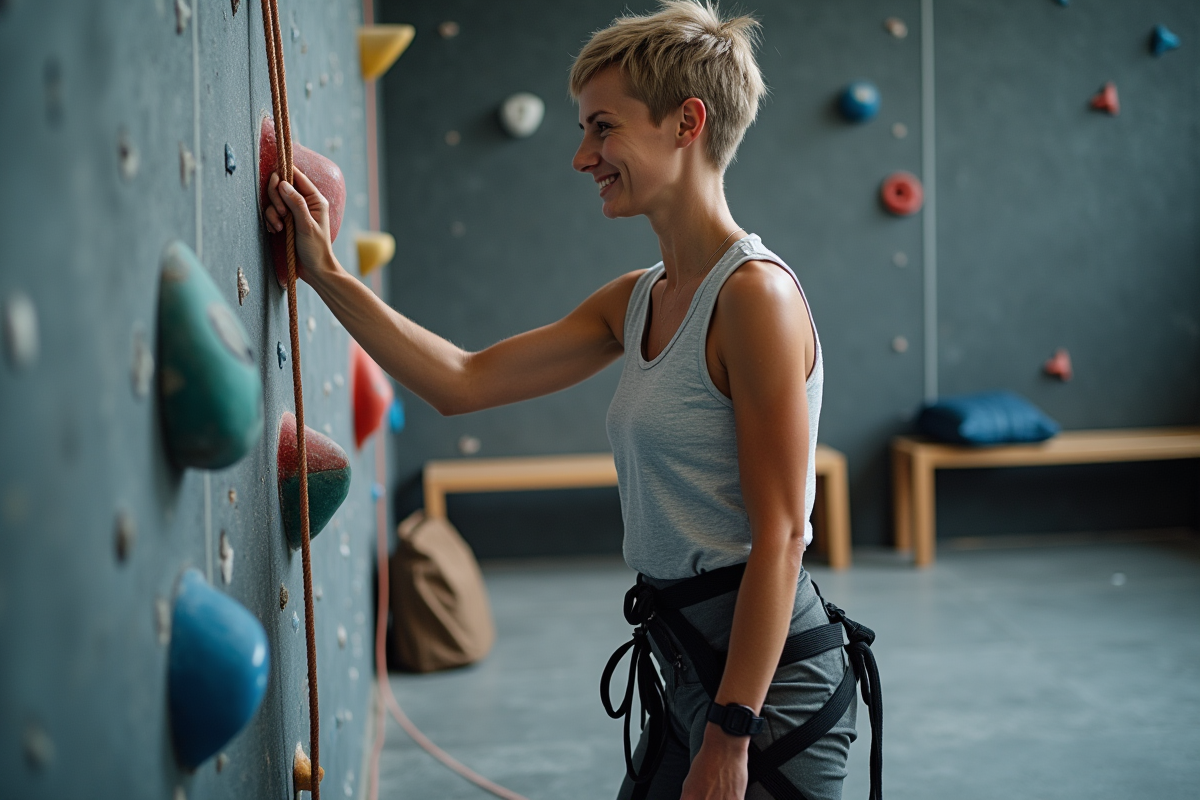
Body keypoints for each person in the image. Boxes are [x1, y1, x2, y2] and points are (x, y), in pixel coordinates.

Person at [264, 3, 877, 799]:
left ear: (686, 122)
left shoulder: (755, 299)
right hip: (690, 667)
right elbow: (464, 380)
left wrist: (731, 735)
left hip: (765, 698)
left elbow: (785, 534)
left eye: (602, 128)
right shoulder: (640, 297)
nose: (582, 156)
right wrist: (326, 275)